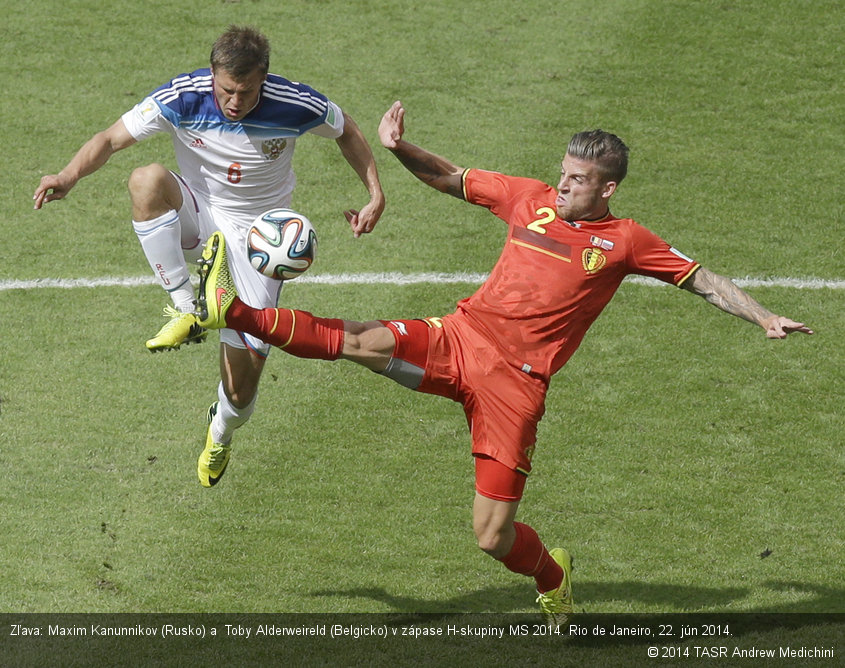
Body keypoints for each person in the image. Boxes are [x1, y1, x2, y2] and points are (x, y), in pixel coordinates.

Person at [193, 100, 813, 626]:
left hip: (513, 389)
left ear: (607, 188)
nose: (563, 184)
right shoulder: (529, 199)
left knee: (491, 536)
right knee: (359, 341)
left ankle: (552, 575)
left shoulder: (625, 241)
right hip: (460, 336)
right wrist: (400, 147)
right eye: (563, 173)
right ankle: (232, 309)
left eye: (577, 179)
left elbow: (702, 280)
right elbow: (451, 178)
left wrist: (762, 317)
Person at [33, 26, 385, 487]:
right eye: (225, 90)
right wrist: (68, 174)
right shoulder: (183, 97)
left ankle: (221, 430)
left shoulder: (296, 103)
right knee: (146, 179)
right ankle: (188, 307)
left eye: (246, 91)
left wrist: (375, 194)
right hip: (199, 211)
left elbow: (348, 131)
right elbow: (111, 139)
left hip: (261, 240)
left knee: (242, 389)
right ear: (213, 74)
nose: (234, 102)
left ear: (264, 79)